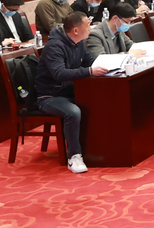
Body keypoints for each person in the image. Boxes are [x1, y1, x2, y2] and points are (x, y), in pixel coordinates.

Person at [34, 11, 110, 173]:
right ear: (76, 30)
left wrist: (111, 64)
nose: (90, 28)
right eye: (87, 25)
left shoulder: (79, 43)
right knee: (73, 112)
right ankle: (74, 156)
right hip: (50, 95)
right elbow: (59, 74)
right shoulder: (54, 47)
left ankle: (100, 148)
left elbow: (91, 62)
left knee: (101, 99)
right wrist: (89, 71)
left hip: (70, 90)